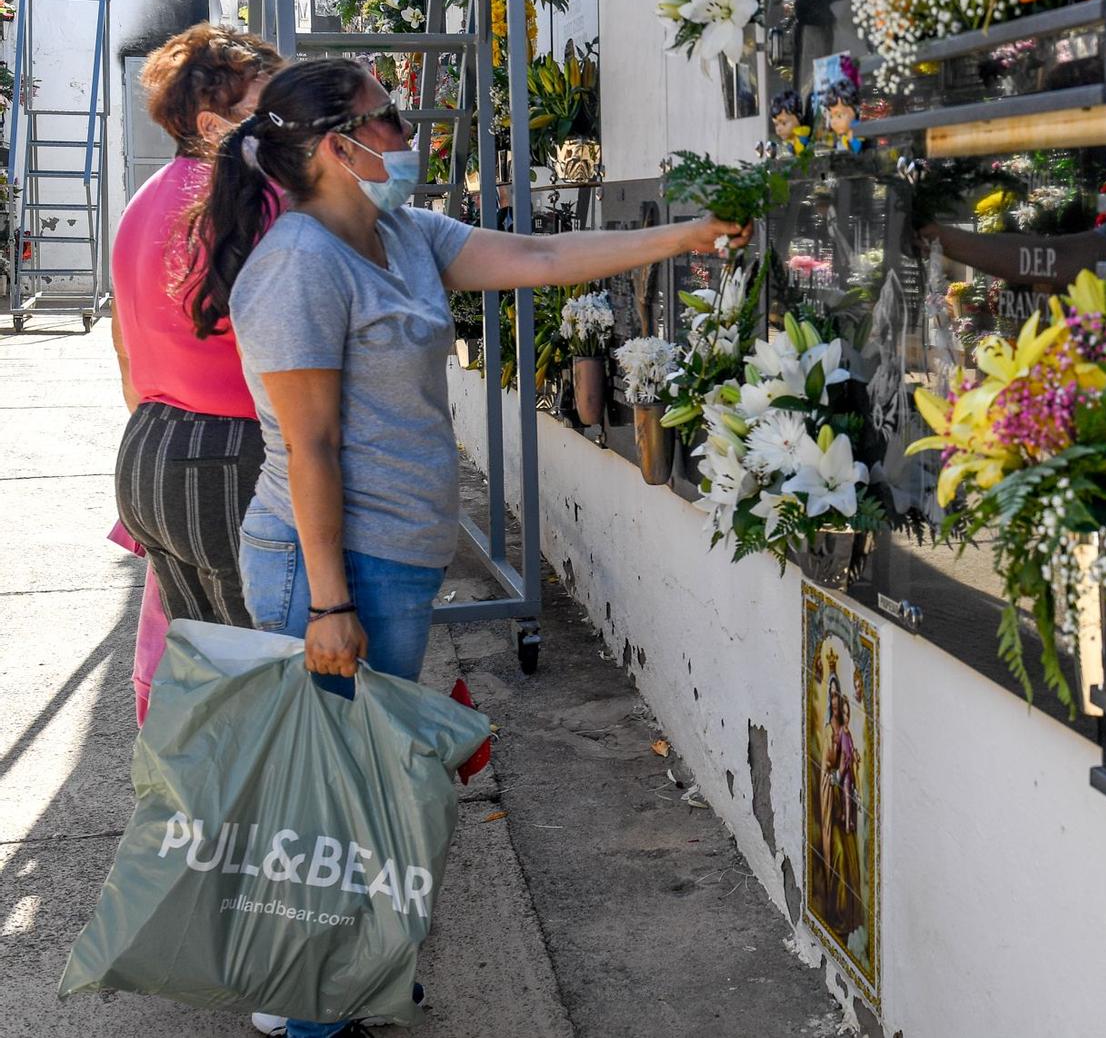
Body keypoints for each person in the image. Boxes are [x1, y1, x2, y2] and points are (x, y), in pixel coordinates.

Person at [188, 57, 745, 1038]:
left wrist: (683, 235)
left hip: (393, 557)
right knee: (329, 798)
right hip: (329, 565)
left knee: (370, 786)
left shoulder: (399, 236)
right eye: (388, 117)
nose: (408, 134)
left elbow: (531, 255)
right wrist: (327, 604)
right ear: (337, 145)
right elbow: (309, 444)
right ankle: (305, 1007)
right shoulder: (299, 267)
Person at [110, 23, 284, 722]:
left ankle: (201, 819)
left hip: (149, 452)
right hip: (233, 456)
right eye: (269, 113)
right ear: (215, 123)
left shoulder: (142, 201)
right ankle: (266, 826)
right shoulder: (250, 201)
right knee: (263, 678)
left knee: (200, 673)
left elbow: (125, 352)